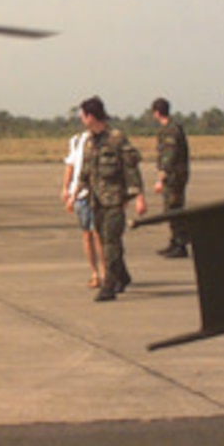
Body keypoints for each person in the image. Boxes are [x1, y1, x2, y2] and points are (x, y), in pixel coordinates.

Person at [76, 96, 147, 302]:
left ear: (91, 116)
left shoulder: (116, 139)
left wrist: (139, 197)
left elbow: (131, 169)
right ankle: (122, 276)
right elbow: (86, 170)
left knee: (110, 242)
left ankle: (109, 285)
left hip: (115, 200)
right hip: (96, 201)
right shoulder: (89, 141)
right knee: (108, 240)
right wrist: (75, 193)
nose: (81, 119)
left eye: (82, 115)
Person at [61, 129, 106, 288]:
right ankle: (94, 273)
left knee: (98, 234)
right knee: (87, 234)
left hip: (97, 193)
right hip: (79, 194)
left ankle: (105, 272)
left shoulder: (104, 139)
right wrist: (66, 188)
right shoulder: (77, 140)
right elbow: (70, 165)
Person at [152, 97, 191, 258]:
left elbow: (169, 156)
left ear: (156, 112)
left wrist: (161, 178)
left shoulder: (170, 130)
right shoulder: (172, 128)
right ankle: (175, 241)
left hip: (174, 176)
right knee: (172, 208)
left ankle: (180, 244)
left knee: (174, 209)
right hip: (176, 175)